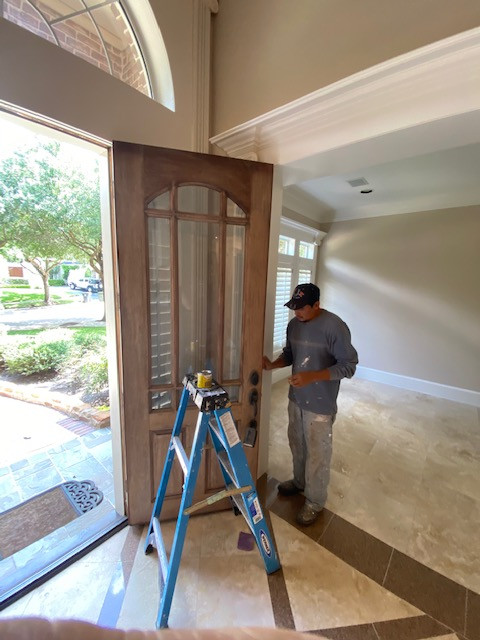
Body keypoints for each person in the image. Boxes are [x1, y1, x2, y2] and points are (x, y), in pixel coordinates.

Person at [263, 283, 358, 526]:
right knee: (297, 442)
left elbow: (348, 366)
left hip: (320, 404)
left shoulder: (334, 327)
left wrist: (312, 376)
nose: (297, 313)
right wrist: (273, 365)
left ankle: (315, 501)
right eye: (294, 308)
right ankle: (299, 482)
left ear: (317, 305)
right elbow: (291, 354)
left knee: (318, 453)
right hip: (296, 398)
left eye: (302, 309)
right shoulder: (294, 325)